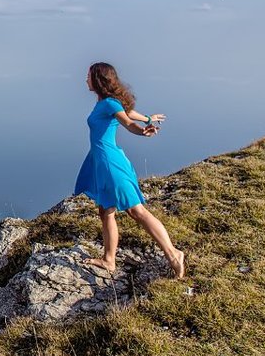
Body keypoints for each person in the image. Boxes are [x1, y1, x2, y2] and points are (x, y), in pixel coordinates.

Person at [74, 62, 187, 278]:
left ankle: (174, 254)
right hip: (102, 162)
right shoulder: (105, 102)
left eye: (88, 76)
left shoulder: (108, 103)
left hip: (110, 163)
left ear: (98, 79)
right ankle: (109, 260)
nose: (85, 79)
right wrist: (147, 118)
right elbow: (127, 111)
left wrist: (143, 130)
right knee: (106, 211)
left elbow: (126, 121)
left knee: (137, 211)